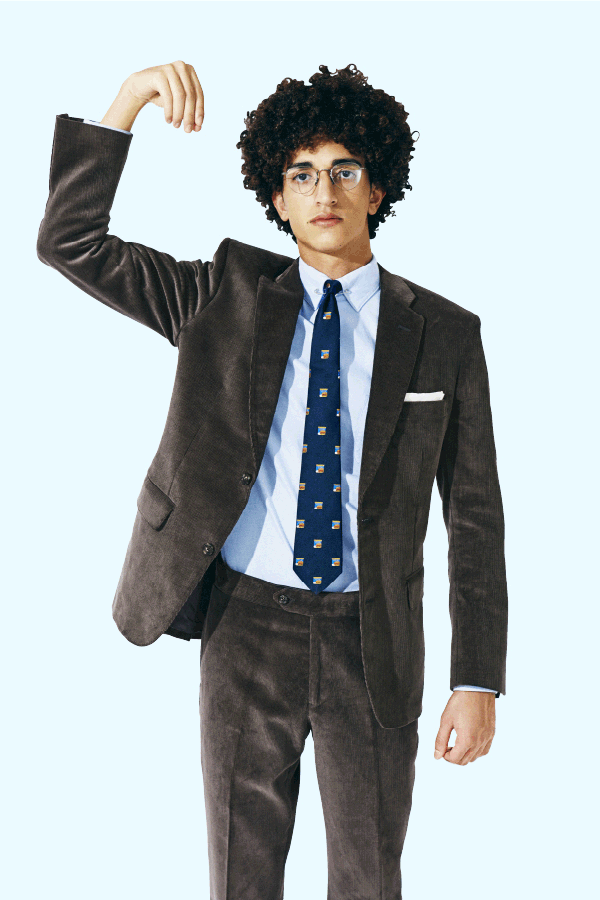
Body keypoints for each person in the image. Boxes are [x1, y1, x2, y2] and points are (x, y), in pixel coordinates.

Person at [37, 60, 508, 900]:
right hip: (245, 626)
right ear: (277, 198)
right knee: (240, 876)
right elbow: (69, 242)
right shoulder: (222, 295)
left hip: (373, 638)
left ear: (377, 189)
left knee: (370, 876)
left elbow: (474, 518)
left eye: (344, 171)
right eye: (301, 174)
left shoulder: (445, 334)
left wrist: (476, 680)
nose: (323, 190)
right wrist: (129, 100)